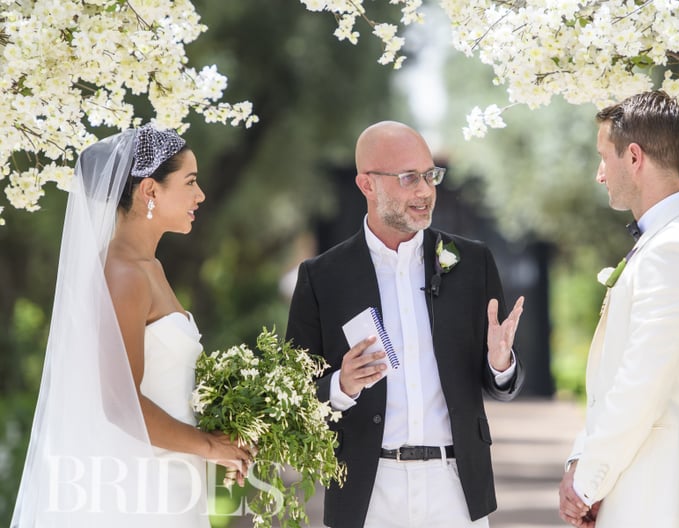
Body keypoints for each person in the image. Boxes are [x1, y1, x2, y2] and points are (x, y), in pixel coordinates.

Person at [286, 120, 526, 528]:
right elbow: (296, 393)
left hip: (456, 490)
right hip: (369, 491)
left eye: (430, 176)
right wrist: (341, 386)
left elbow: (497, 386)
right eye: (408, 178)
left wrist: (501, 364)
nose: (425, 191)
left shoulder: (472, 263)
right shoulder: (322, 277)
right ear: (367, 185)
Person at [12, 125, 251, 527]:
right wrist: (209, 445)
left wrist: (226, 430)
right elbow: (120, 403)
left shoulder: (149, 267)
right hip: (142, 485)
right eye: (190, 182)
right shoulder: (123, 273)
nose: (201, 195)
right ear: (150, 191)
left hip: (174, 477)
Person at [558, 91, 679, 527]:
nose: (600, 174)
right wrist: (582, 458)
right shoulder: (668, 242)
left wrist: (584, 484)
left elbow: (641, 385)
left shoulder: (677, 250)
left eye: (604, 157)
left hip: (661, 496)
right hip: (638, 489)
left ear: (633, 157)